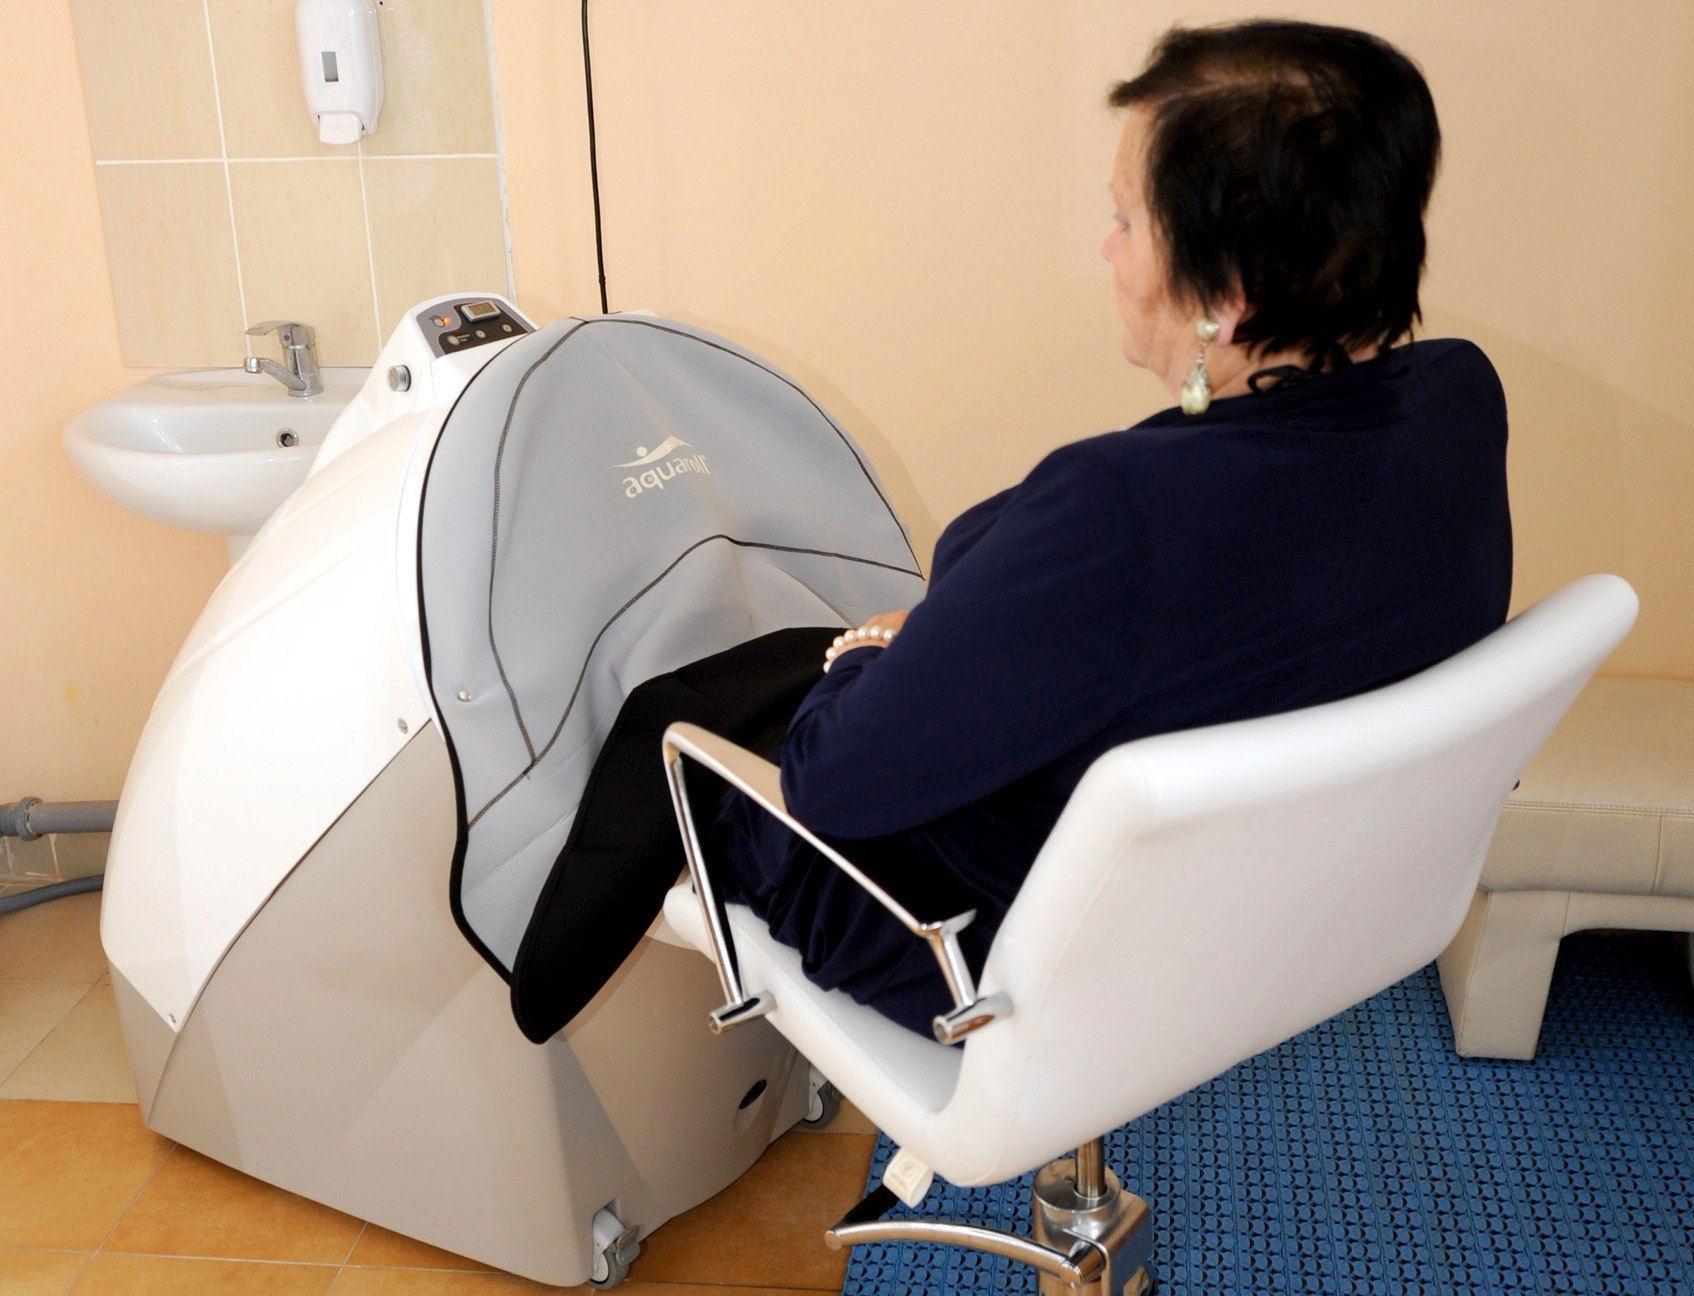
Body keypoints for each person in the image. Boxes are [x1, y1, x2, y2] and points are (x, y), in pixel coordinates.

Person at [709, 19, 1512, 1036]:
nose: (1107, 249)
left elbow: (828, 784)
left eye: (1126, 219)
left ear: (1226, 295)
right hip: (1274, 929)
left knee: (685, 749)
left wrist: (869, 642)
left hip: (1014, 959)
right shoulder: (1456, 402)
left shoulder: (1117, 515)